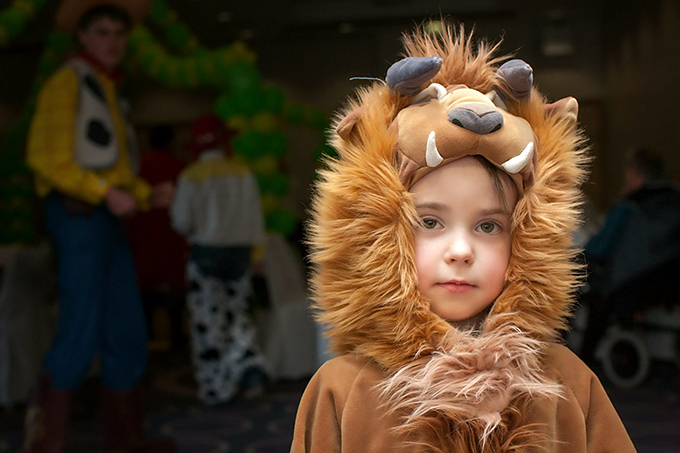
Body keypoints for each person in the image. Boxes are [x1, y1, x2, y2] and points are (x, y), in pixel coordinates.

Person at [290, 24, 636, 452]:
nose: (459, 251)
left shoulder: (568, 382)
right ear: (376, 232)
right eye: (429, 222)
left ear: (528, 242)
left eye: (488, 226)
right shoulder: (339, 390)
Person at [24, 1, 175, 452]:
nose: (113, 41)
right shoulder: (66, 82)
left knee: (125, 328)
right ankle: (44, 443)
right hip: (79, 219)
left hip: (106, 221)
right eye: (103, 32)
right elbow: (45, 158)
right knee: (80, 326)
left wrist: (148, 195)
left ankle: (125, 440)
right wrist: (105, 193)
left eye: (118, 33)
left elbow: (117, 174)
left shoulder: (110, 90)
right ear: (84, 38)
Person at [171, 114, 269, 405]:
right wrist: (258, 256)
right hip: (239, 255)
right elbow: (255, 219)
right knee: (239, 319)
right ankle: (250, 376)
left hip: (206, 256)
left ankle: (218, 389)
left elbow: (180, 222)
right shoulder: (242, 172)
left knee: (209, 323)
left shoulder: (190, 176)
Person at [579, 148, 680, 365]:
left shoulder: (628, 206)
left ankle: (583, 360)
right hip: (668, 283)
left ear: (635, 175)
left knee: (584, 283)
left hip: (626, 285)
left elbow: (596, 249)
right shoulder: (675, 203)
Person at [128, 125, 188, 350]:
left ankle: (149, 336)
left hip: (143, 234)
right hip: (171, 234)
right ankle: (176, 334)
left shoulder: (138, 167)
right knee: (175, 283)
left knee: (145, 284)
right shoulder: (179, 167)